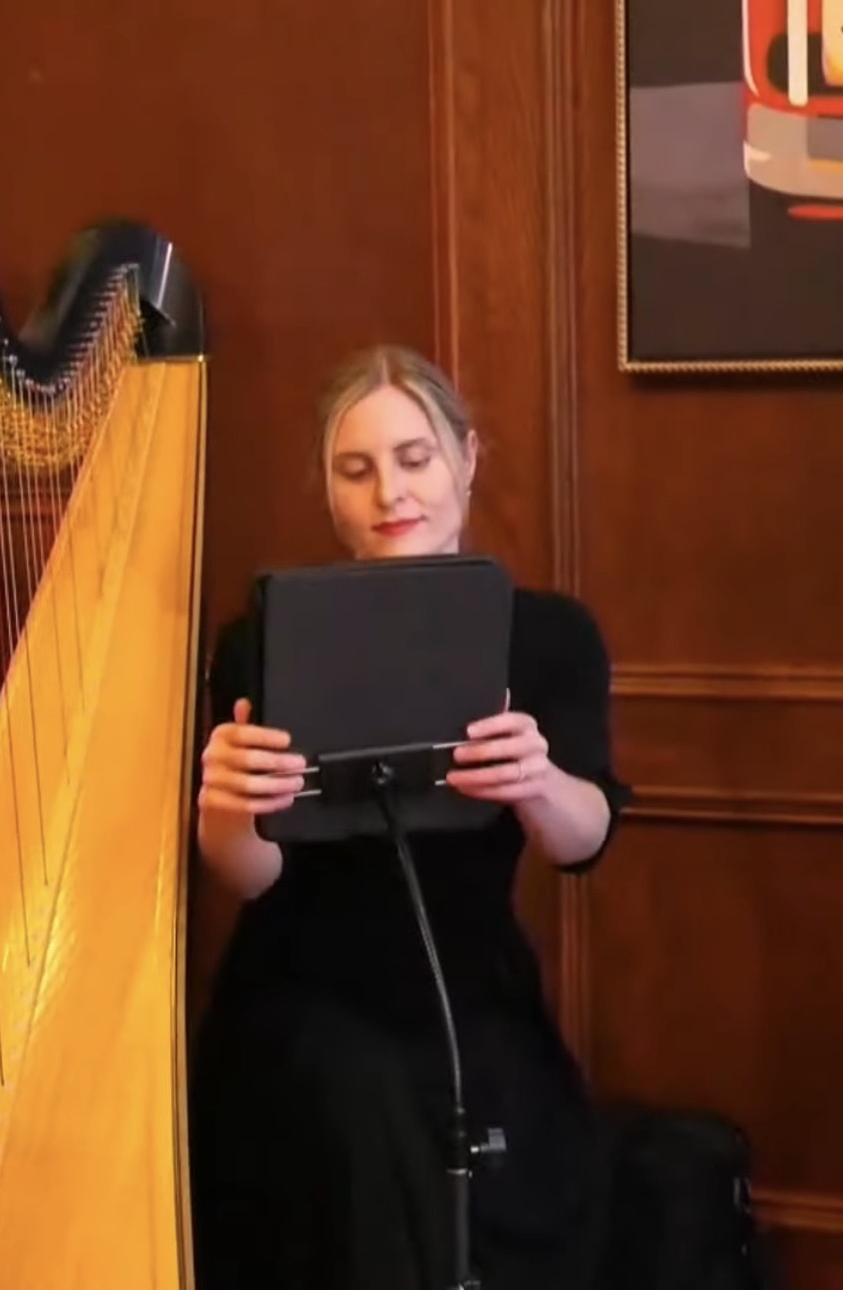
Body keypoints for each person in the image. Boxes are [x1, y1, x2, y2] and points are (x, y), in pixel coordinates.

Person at [184, 343, 627, 1289]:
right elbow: (252, 876)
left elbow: (583, 839)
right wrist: (225, 812)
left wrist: (537, 782)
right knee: (356, 1117)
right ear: (329, 492)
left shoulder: (551, 636)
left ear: (466, 459)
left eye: (414, 458)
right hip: (303, 1000)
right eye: (356, 469)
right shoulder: (261, 640)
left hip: (472, 991)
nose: (389, 491)